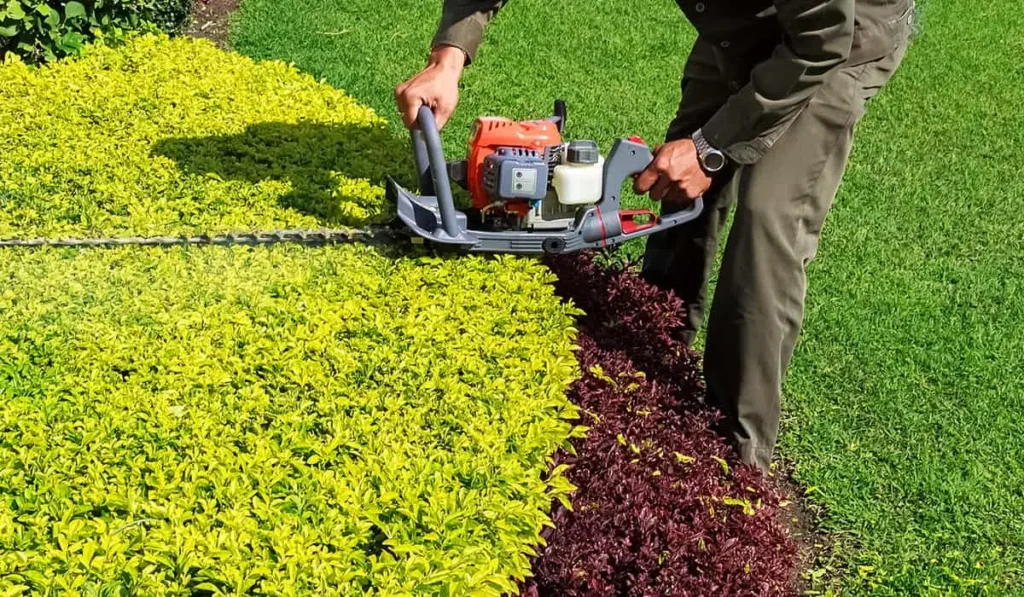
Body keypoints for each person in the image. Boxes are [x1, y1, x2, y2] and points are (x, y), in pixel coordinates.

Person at [394, 0, 915, 473]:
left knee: (767, 220)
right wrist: (450, 56)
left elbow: (822, 36)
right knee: (678, 188)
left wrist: (711, 147)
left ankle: (737, 456)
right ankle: (656, 349)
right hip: (739, 23)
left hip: (838, 38)